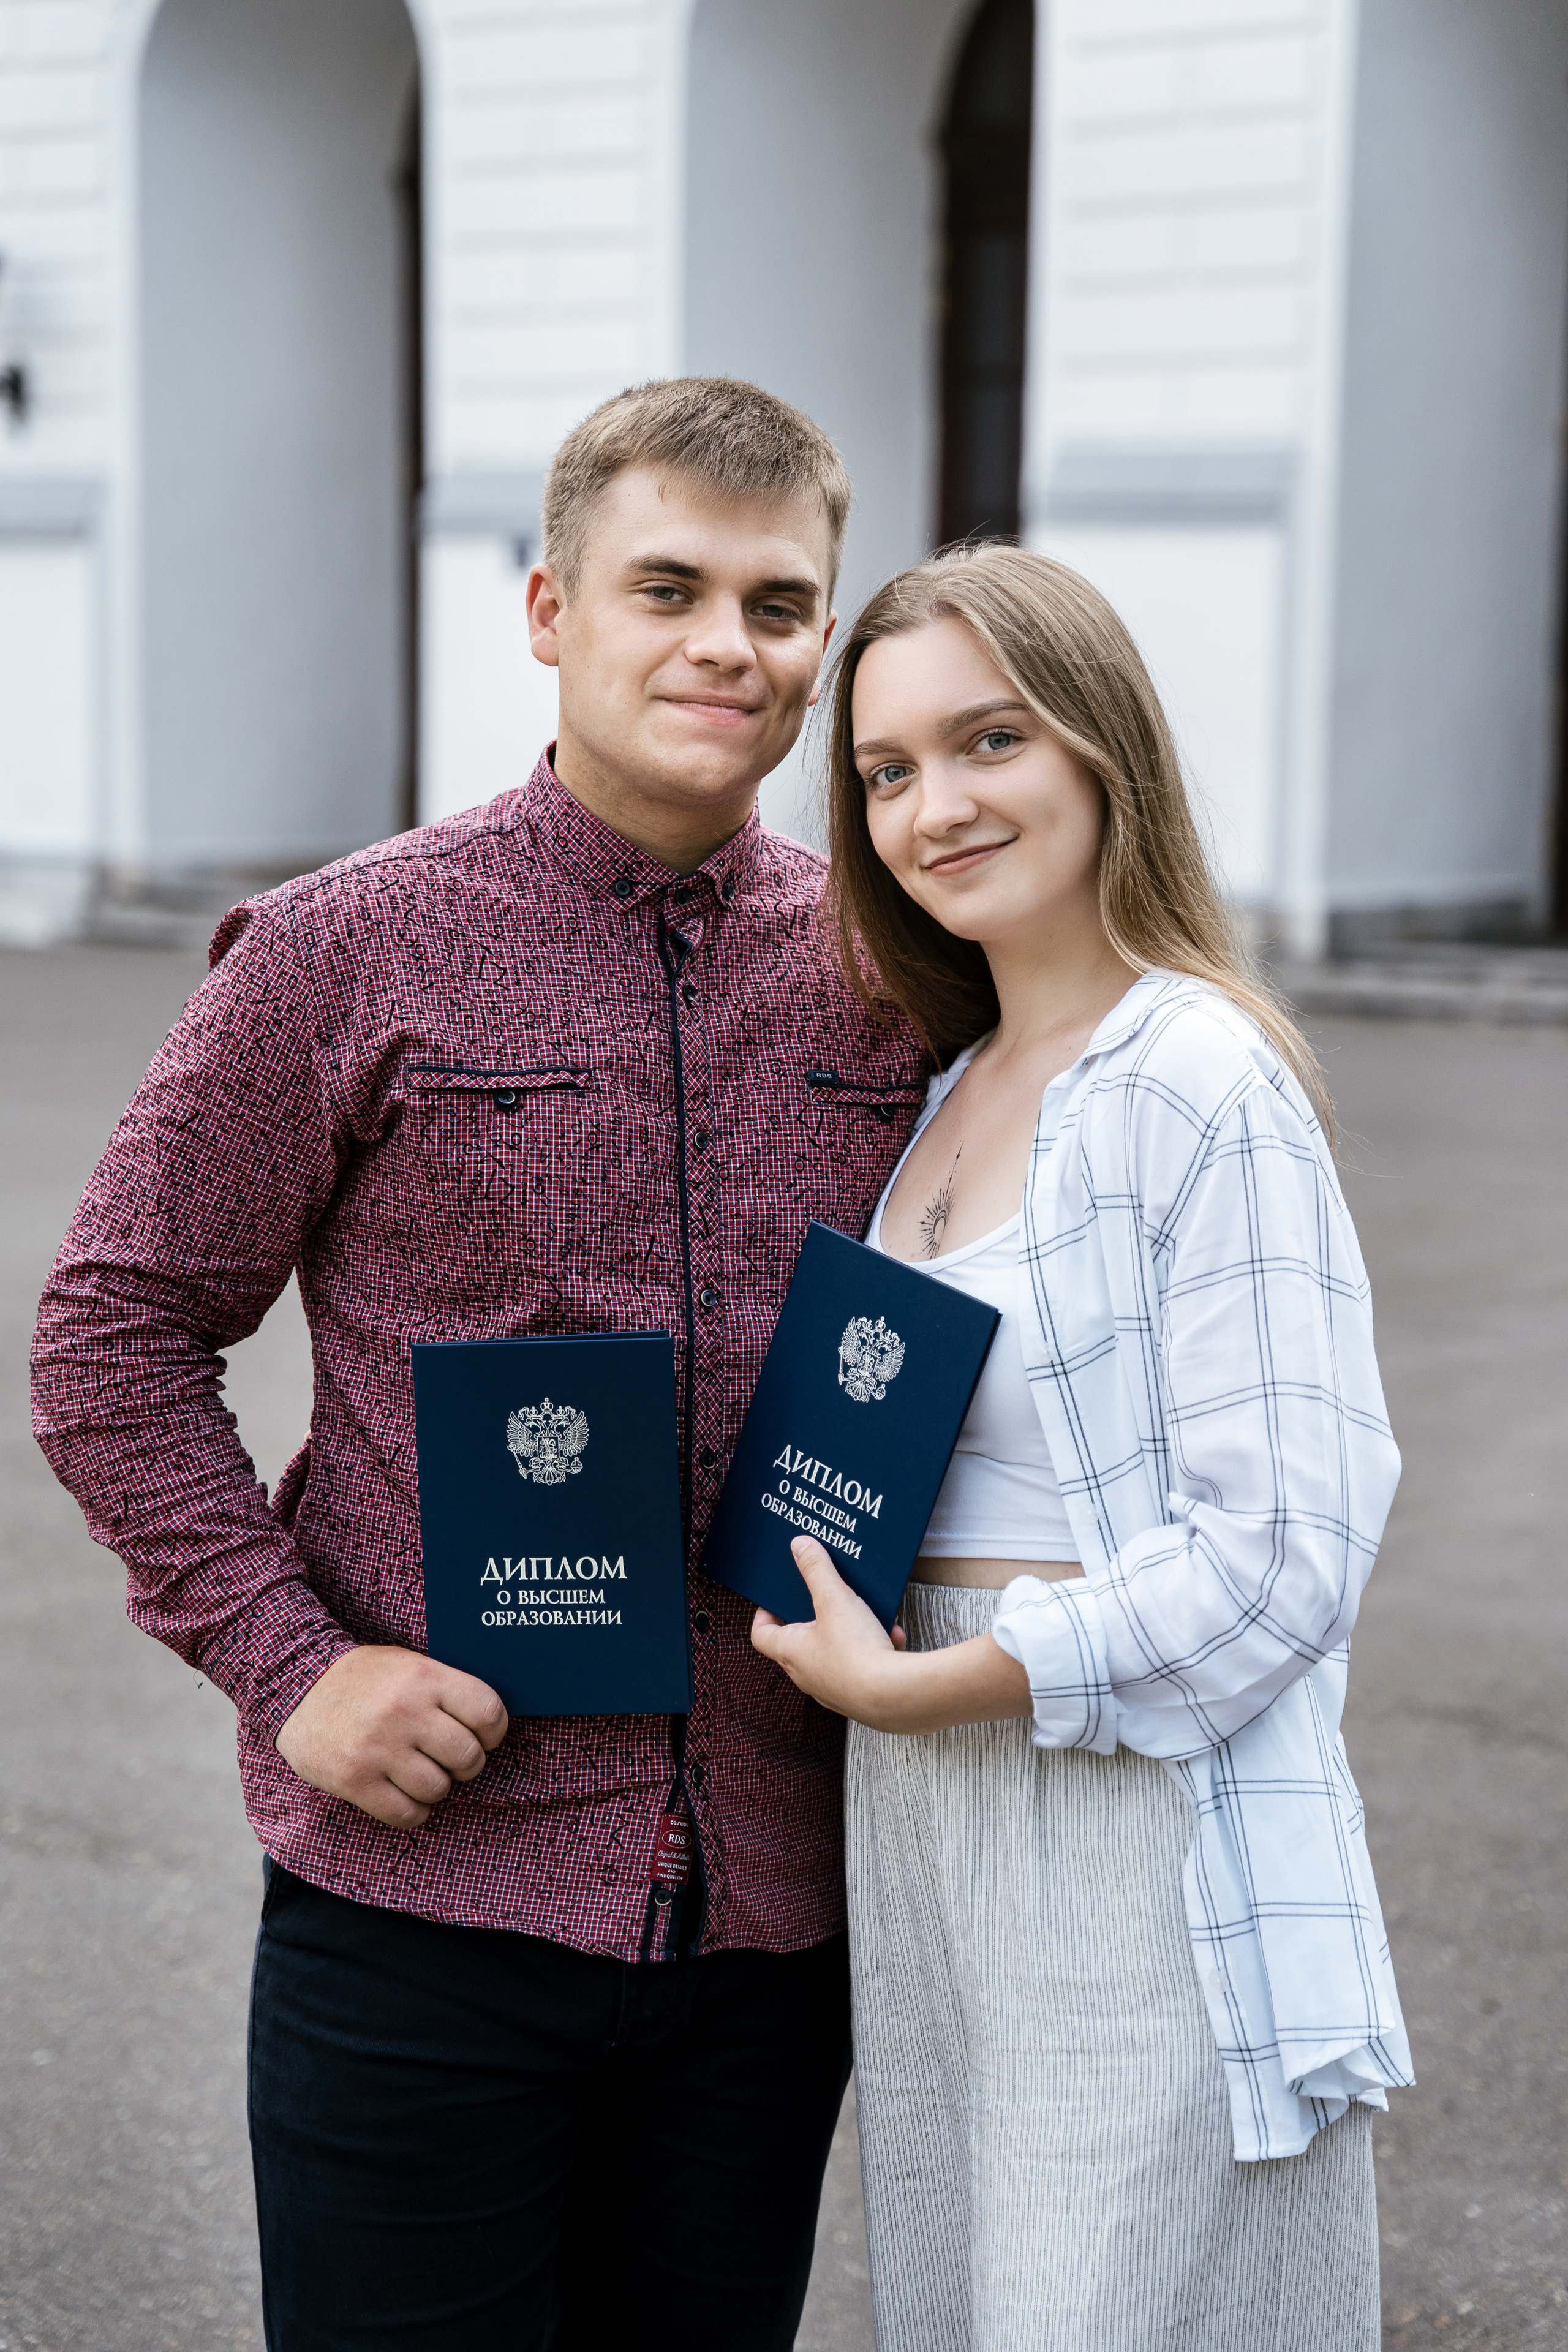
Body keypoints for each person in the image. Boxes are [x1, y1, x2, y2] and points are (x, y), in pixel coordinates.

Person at [31, 378, 934, 2352]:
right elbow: (111, 1329)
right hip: (424, 1910)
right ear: (549, 609)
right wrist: (294, 1670)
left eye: (780, 606)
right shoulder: (343, 950)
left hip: (773, 1931)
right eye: (667, 588)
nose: (726, 644)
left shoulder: (900, 974)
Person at [751, 545, 1413, 2351]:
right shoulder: (943, 1088)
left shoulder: (1194, 1073)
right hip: (925, 1826)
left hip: (1130, 1814)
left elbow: (1282, 1553)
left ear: (1103, 745)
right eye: (887, 771)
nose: (936, 808)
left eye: (992, 741)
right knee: (965, 2300)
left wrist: (935, 1683)